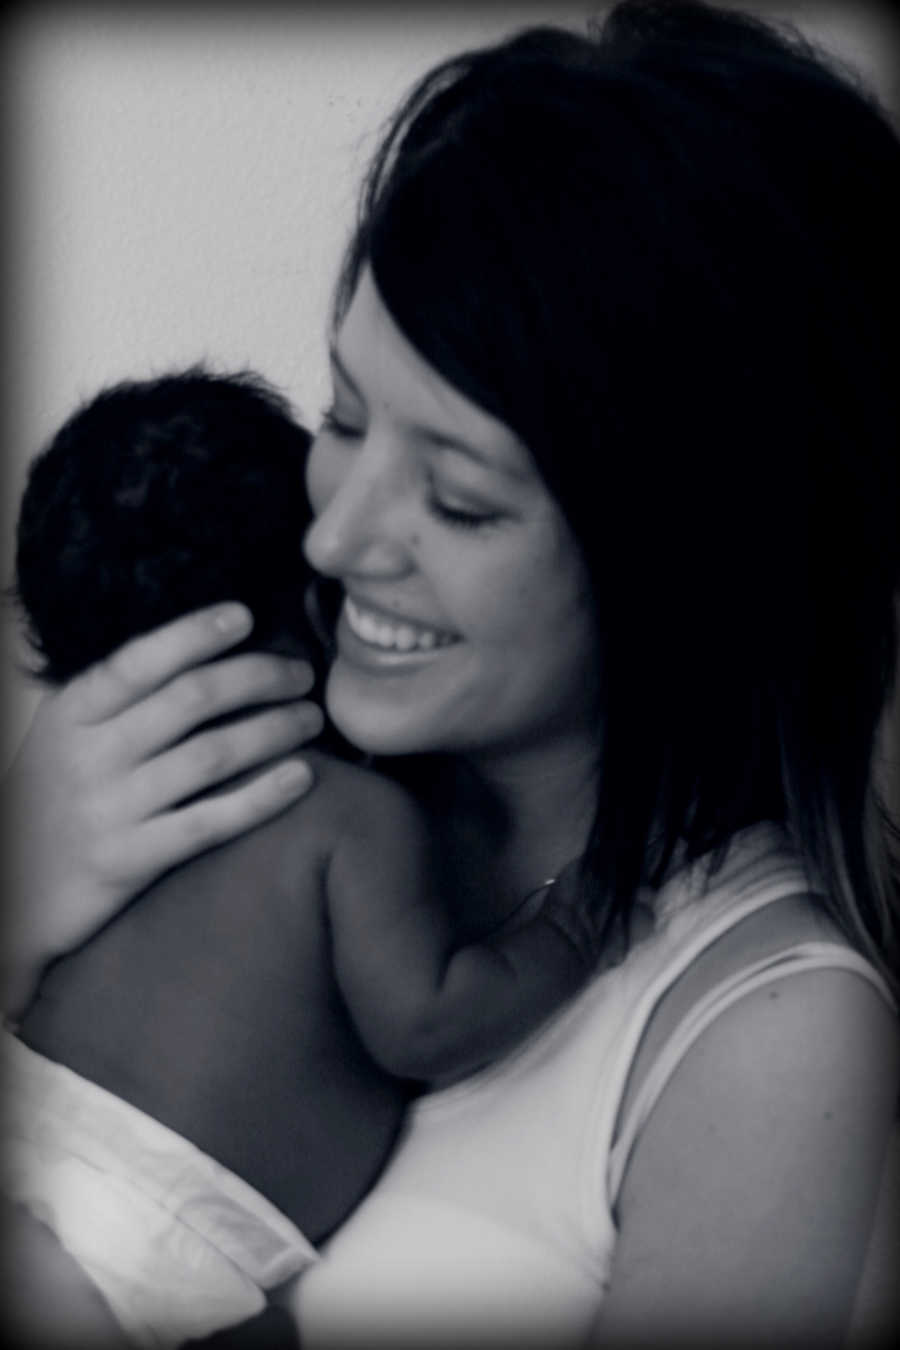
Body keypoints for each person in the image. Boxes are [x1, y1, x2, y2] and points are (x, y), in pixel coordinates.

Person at [3, 1, 899, 1346]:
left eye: (462, 501)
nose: (335, 534)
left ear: (685, 565)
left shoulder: (770, 1032)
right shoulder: (164, 768)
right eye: (344, 414)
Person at [2, 368, 598, 1347]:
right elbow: (428, 1024)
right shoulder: (345, 815)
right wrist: (573, 926)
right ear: (319, 605)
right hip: (158, 1228)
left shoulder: (96, 816)